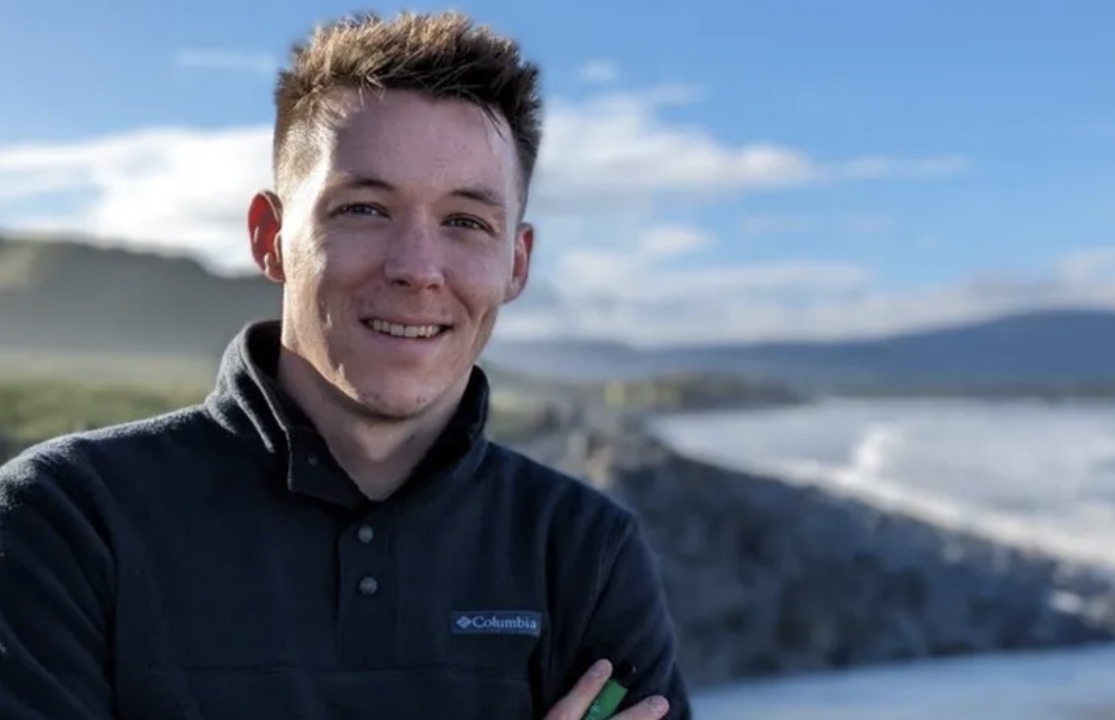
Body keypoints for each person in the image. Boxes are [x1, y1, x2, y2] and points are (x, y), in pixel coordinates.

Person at [0, 11, 690, 720]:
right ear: (271, 236)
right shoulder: (69, 519)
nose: (417, 268)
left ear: (516, 263)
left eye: (466, 221)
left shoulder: (585, 552)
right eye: (364, 209)